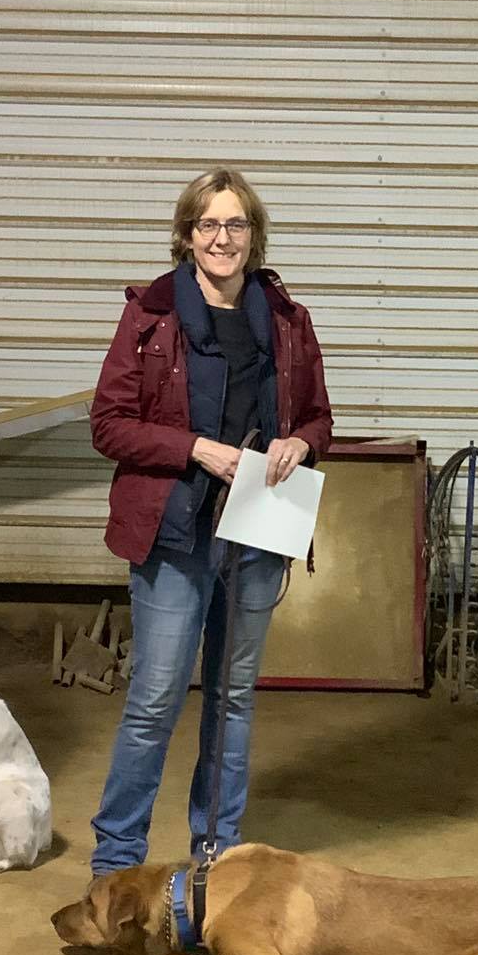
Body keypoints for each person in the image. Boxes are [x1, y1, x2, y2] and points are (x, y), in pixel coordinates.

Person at [87, 167, 333, 876]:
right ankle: (118, 859)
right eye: (208, 224)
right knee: (155, 699)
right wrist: (194, 448)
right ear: (187, 235)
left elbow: (320, 417)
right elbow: (108, 425)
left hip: (256, 529)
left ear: (254, 235)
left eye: (235, 224)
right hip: (174, 532)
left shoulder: (287, 320)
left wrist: (300, 443)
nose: (222, 238)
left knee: (232, 699)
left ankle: (216, 854)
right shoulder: (151, 315)